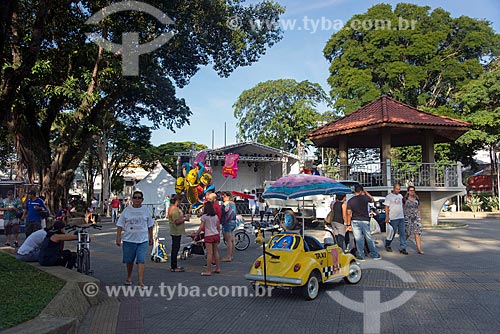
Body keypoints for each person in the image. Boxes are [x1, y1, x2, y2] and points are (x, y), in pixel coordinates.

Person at [116, 191, 154, 287]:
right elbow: (120, 224)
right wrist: (118, 237)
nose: (137, 200)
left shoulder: (146, 210)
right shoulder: (127, 210)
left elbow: (150, 225)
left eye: (139, 198)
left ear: (142, 200)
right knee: (129, 260)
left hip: (142, 239)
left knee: (141, 260)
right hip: (129, 239)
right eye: (135, 197)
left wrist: (151, 237)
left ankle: (140, 281)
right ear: (132, 199)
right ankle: (129, 277)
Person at [346, 185, 381, 261]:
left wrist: (348, 224)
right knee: (369, 237)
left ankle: (361, 255)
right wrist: (366, 192)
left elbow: (349, 213)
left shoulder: (350, 200)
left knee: (358, 238)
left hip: (355, 220)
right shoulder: (365, 198)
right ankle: (375, 254)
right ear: (361, 191)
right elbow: (372, 199)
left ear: (354, 191)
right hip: (365, 220)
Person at [195, 201, 220, 276]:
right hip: (216, 234)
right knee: (215, 252)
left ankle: (208, 270)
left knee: (209, 253)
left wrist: (196, 234)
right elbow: (218, 226)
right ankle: (217, 268)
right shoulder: (215, 216)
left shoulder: (204, 217)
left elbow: (201, 227)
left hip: (208, 235)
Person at [168, 194, 190, 272]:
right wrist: (185, 219)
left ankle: (174, 265)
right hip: (176, 231)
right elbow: (176, 221)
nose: (181, 203)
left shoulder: (172, 208)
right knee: (175, 248)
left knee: (175, 248)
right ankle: (174, 266)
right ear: (178, 200)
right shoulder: (174, 209)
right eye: (181, 201)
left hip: (175, 230)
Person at [384, 183, 407, 254]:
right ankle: (388, 244)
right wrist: (387, 216)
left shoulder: (400, 196)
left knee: (402, 233)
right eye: (397, 189)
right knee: (392, 233)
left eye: (399, 189)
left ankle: (403, 247)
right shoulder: (389, 197)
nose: (398, 190)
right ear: (393, 188)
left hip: (401, 217)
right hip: (393, 217)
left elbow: (402, 204)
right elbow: (386, 207)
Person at [404, 186, 424, 254]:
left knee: (417, 233)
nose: (412, 192)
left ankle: (419, 249)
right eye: (410, 190)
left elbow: (418, 208)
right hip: (408, 217)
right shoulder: (405, 199)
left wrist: (420, 217)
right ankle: (402, 246)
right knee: (407, 233)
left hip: (416, 218)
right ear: (408, 191)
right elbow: (402, 207)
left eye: (413, 190)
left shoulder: (416, 198)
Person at [221, 192, 237, 262]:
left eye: (224, 196)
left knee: (228, 241)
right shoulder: (233, 203)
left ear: (228, 197)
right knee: (232, 240)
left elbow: (222, 211)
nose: (223, 198)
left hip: (227, 222)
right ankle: (231, 255)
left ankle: (228, 256)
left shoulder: (226, 204)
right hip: (233, 222)